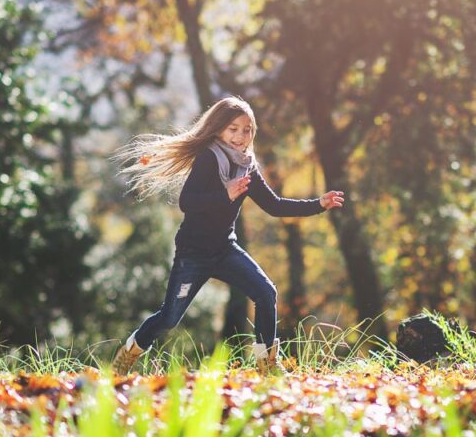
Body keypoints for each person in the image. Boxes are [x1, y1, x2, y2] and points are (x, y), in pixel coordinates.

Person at [112, 96, 344, 375]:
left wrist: (318, 204)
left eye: (247, 130)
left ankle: (267, 364)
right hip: (193, 255)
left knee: (265, 292)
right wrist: (225, 194)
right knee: (169, 318)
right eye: (233, 129)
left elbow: (274, 205)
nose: (240, 136)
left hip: (225, 250)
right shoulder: (209, 158)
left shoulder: (248, 167)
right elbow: (188, 202)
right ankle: (128, 353)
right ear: (219, 129)